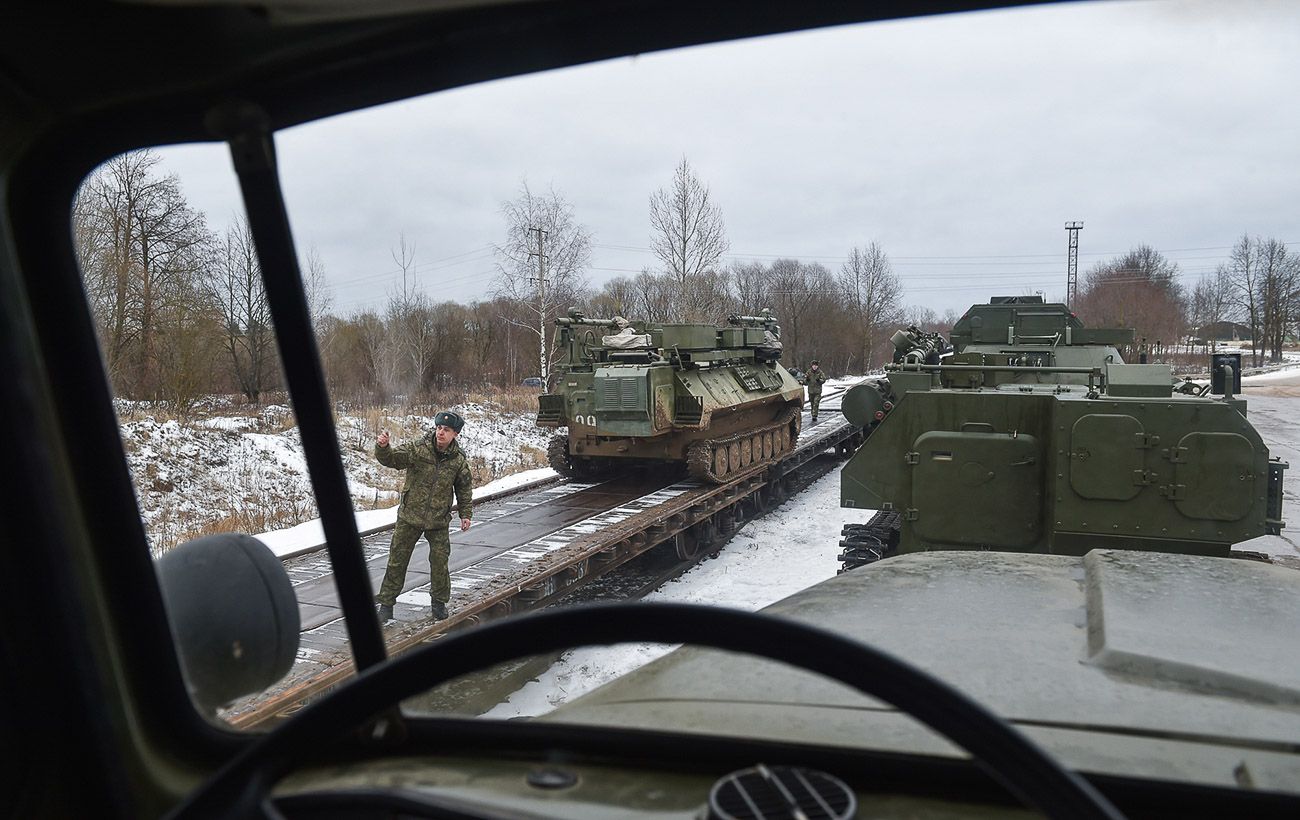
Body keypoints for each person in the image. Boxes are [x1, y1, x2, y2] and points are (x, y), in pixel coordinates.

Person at [373, 410, 473, 622]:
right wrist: (383, 447)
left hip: (438, 520)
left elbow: (464, 488)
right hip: (410, 517)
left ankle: (438, 603)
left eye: (446, 430)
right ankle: (386, 605)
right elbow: (392, 459)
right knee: (396, 562)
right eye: (438, 428)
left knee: (439, 562)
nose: (440, 433)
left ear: (455, 433)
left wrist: (466, 514)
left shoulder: (458, 460)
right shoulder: (418, 449)